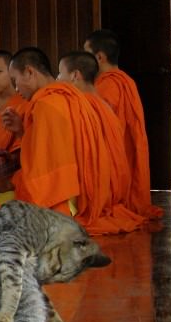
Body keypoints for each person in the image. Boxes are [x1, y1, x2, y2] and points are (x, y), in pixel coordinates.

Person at [1, 47, 142, 235]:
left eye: (15, 80)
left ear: (29, 72)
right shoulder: (70, 97)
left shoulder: (47, 104)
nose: (16, 89)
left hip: (68, 200)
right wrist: (21, 131)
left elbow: (46, 172)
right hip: (93, 192)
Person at [57, 51, 143, 226]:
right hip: (111, 189)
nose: (57, 79)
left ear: (75, 76)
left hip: (92, 189)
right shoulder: (102, 105)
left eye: (60, 73)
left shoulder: (80, 107)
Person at [84, 29, 163, 219]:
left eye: (86, 54)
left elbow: (104, 119)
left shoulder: (110, 83)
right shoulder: (125, 80)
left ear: (100, 57)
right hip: (123, 147)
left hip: (115, 149)